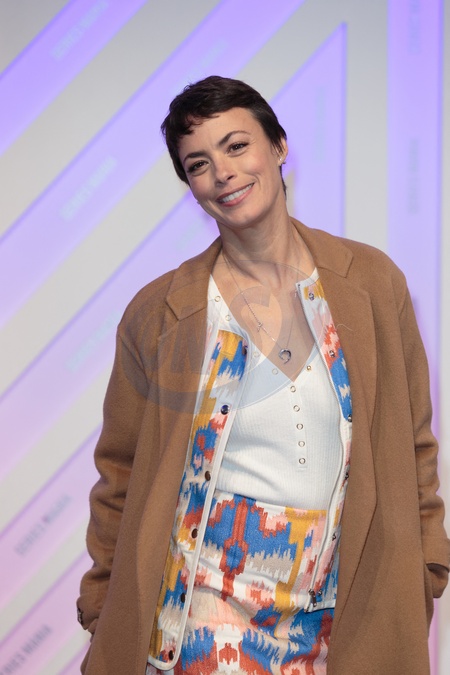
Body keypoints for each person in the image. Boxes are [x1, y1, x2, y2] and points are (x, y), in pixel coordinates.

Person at [77, 76, 449, 675]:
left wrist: (426, 563)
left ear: (279, 146)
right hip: (206, 605)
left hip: (345, 601)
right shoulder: (161, 313)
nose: (222, 173)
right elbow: (119, 472)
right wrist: (103, 604)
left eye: (236, 146)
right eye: (198, 164)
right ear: (190, 186)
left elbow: (413, 440)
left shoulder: (373, 283)